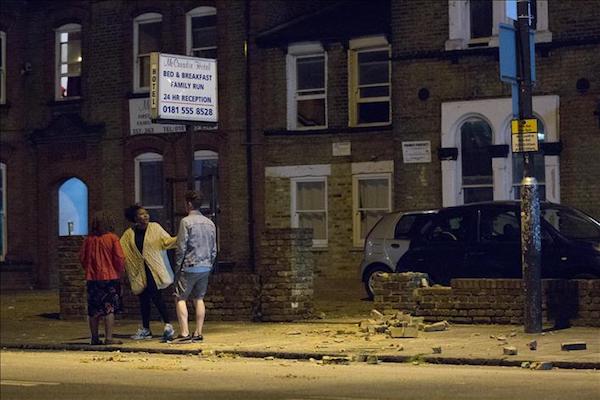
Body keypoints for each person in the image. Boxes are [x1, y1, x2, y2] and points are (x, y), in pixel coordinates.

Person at [120, 205, 177, 341]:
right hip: (139, 272)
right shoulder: (129, 234)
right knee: (143, 300)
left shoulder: (155, 228)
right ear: (135, 218)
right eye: (141, 214)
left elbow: (166, 241)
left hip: (153, 270)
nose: (145, 216)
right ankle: (146, 329)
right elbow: (122, 249)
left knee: (156, 297)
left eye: (146, 213)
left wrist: (181, 238)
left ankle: (168, 325)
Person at [173, 190, 217, 342]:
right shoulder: (210, 223)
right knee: (199, 298)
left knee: (180, 298)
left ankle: (184, 333)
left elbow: (181, 247)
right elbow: (214, 248)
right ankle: (198, 332)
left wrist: (177, 268)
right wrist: (210, 263)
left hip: (189, 265)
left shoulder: (186, 222)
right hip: (205, 265)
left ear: (189, 204)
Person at [80, 211, 125, 345]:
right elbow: (119, 258)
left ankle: (94, 337)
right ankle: (109, 337)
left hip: (92, 278)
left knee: (93, 308)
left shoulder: (88, 240)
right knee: (109, 308)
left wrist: (88, 269)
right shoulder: (112, 238)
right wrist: (120, 272)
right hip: (110, 277)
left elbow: (82, 258)